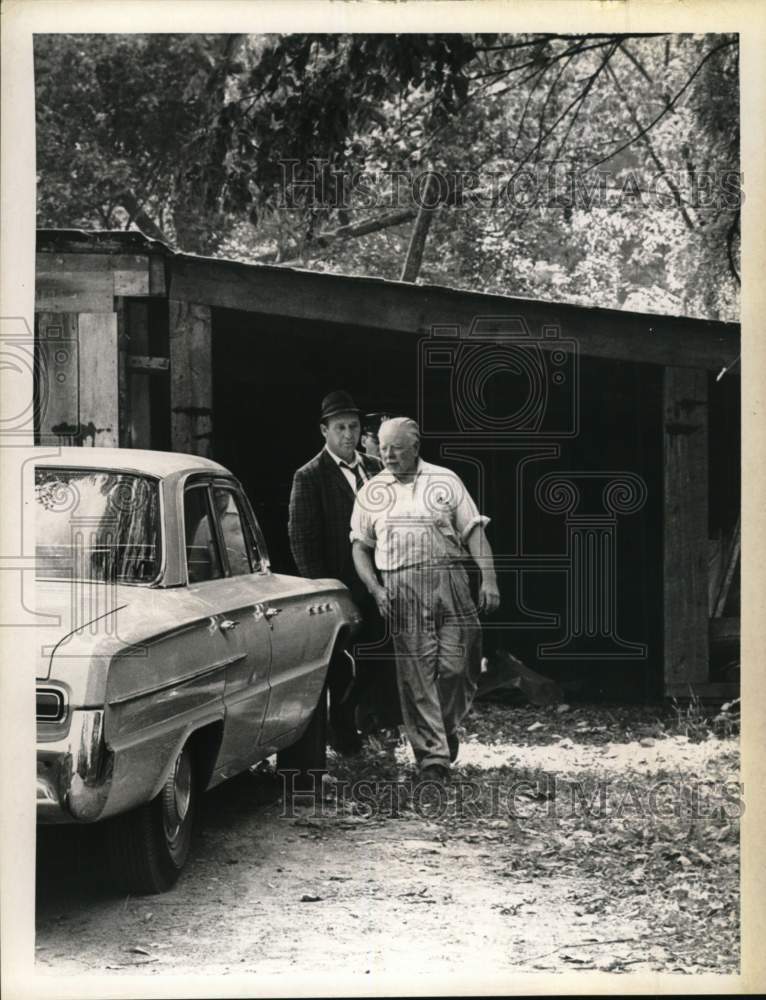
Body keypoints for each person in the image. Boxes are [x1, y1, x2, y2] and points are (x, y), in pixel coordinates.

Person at [351, 416, 500, 783]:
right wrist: (376, 589)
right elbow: (360, 547)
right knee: (416, 676)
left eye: (397, 449)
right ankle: (433, 759)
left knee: (458, 666)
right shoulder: (372, 492)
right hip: (401, 586)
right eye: (384, 448)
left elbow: (474, 531)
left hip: (451, 579)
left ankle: (443, 728)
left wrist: (489, 579)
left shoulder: (445, 480)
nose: (388, 456)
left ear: (416, 447)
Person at [288, 390, 398, 754]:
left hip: (379, 582)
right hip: (340, 587)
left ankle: (367, 720)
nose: (349, 435)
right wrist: (327, 593)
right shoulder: (309, 476)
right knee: (339, 666)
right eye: (340, 428)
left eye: (353, 427)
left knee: (380, 655)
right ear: (324, 430)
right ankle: (341, 730)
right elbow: (302, 541)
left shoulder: (377, 468)